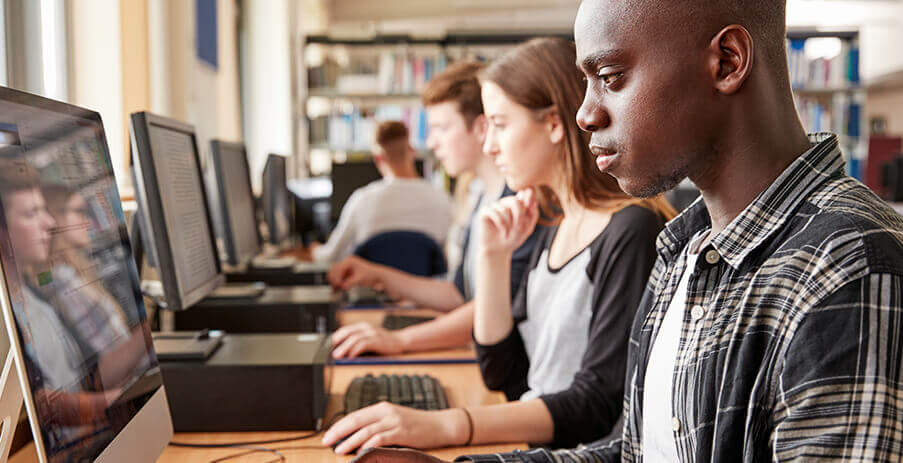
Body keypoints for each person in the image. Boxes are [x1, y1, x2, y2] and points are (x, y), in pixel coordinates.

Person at [355, 0, 903, 462]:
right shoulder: (684, 249)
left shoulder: (847, 263)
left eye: (611, 78)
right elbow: (637, 451)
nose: (585, 115)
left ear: (727, 62)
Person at [323, 37, 676, 455]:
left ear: (553, 124)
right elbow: (504, 374)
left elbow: (597, 405)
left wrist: (449, 425)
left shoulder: (630, 229)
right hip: (538, 446)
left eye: (501, 125)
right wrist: (493, 258)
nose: (489, 145)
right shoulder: (555, 223)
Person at [329, 61, 542, 359]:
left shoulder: (522, 203)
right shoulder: (480, 196)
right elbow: (458, 295)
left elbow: (496, 305)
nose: (431, 142)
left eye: (442, 128)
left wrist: (400, 340)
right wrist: (378, 275)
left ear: (481, 127)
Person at [311, 120, 454, 263]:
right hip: (427, 278)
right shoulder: (443, 200)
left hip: (372, 278)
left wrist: (313, 250)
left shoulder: (361, 201)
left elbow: (329, 257)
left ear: (378, 158)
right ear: (412, 151)